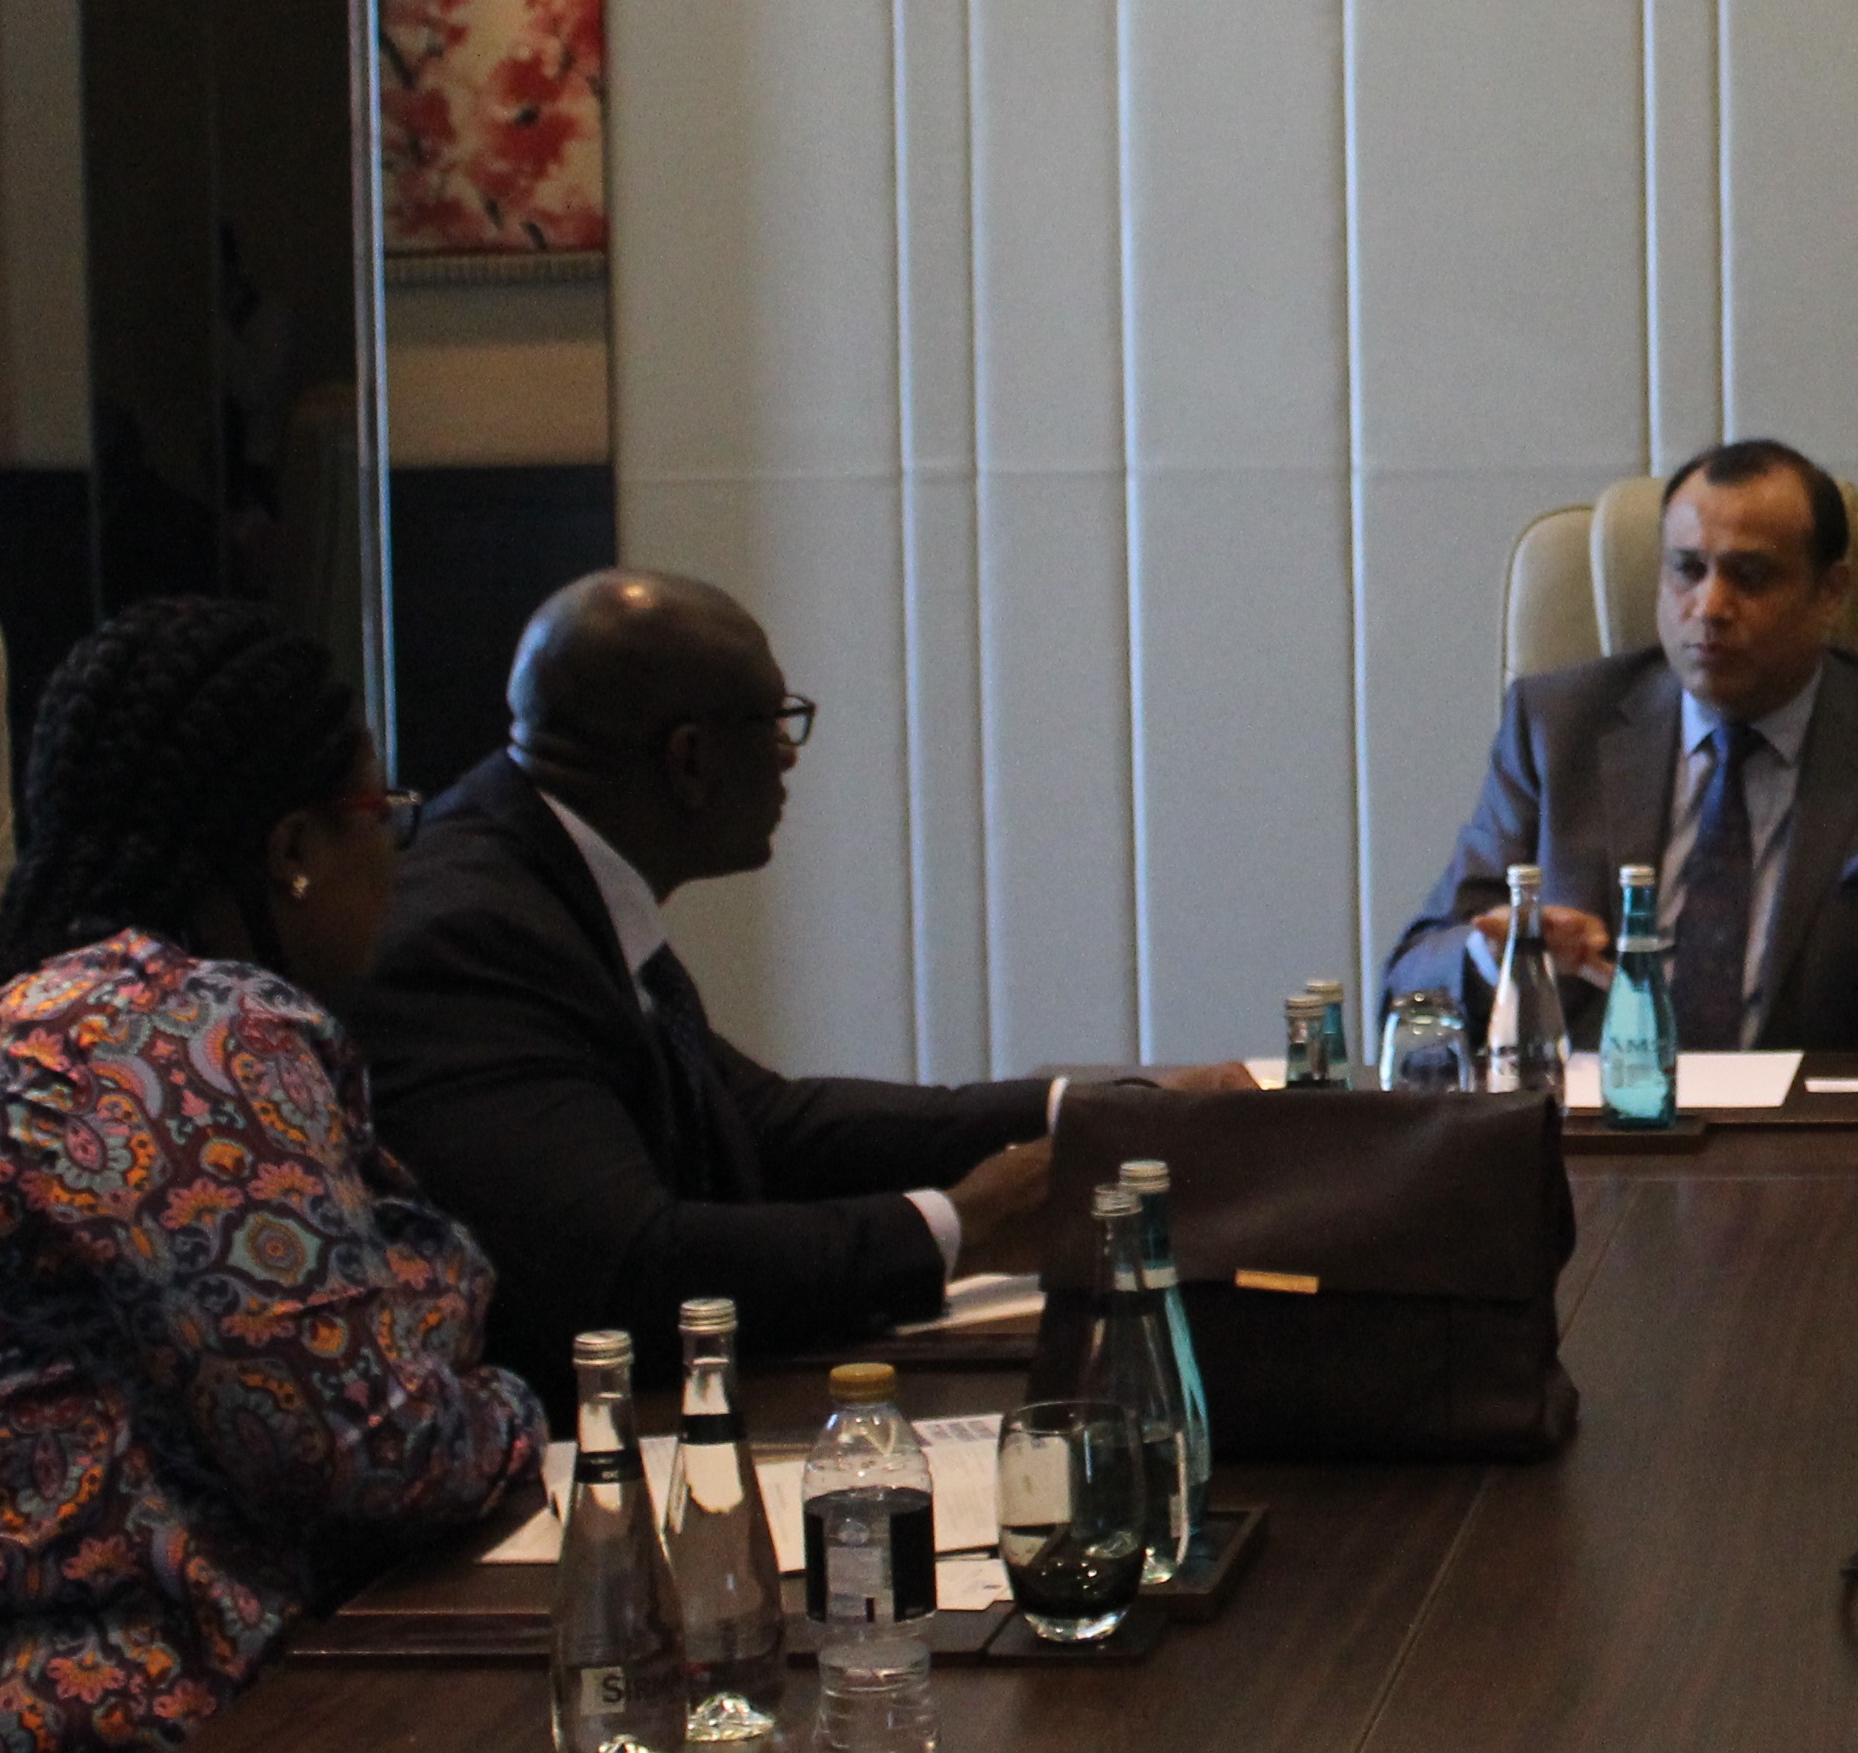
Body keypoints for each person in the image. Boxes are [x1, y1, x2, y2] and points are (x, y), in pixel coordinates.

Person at [0, 600, 542, 1753]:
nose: (398, 852)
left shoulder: (80, 1016)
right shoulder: (183, 1040)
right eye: (381, 814)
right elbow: (376, 1450)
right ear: (293, 852)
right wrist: (517, 1407)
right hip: (64, 1717)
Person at [352, 569, 1249, 1412]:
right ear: (690, 759)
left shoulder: (545, 880)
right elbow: (625, 1274)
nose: (788, 756)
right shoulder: (470, 933)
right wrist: (964, 1226)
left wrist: (1091, 1113)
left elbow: (762, 1121)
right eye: (774, 723)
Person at [1385, 440, 1858, 1054]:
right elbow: (1409, 982)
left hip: (1821, 1122)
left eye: (1751, 576)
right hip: (1596, 1117)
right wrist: (1495, 956)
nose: (1711, 606)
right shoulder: (1555, 731)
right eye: (1687, 570)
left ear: (1830, 592)